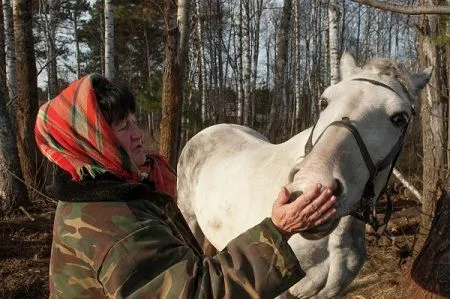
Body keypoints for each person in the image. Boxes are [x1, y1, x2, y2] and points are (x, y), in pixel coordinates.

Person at [35, 73, 337, 298]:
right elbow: (198, 292)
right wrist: (280, 229)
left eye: (134, 121)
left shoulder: (90, 198)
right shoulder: (118, 229)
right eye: (124, 127)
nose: (139, 134)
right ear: (91, 141)